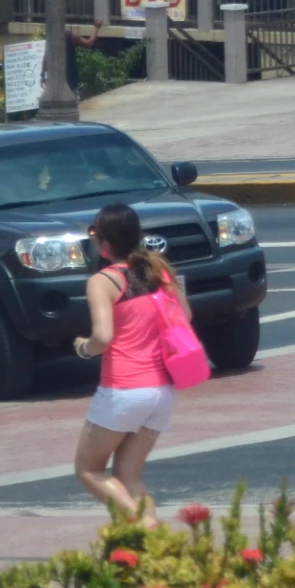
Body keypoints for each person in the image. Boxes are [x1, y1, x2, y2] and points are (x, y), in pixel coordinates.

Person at [72, 203, 180, 522]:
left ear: (104, 242)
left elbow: (102, 338)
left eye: (94, 234)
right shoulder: (159, 271)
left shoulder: (103, 281)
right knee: (129, 475)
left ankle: (148, 532)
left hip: (124, 389)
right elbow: (183, 317)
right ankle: (154, 549)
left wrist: (83, 348)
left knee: (89, 470)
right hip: (162, 390)